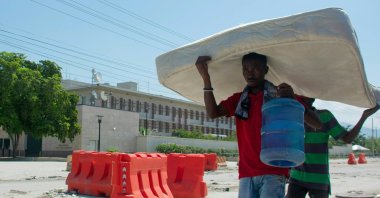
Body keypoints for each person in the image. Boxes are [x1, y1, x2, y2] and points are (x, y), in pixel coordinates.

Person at [195, 52, 322, 198]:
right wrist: (206, 78)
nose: (250, 73)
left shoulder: (280, 95)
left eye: (255, 68)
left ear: (265, 70)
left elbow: (317, 123)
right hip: (246, 173)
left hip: (274, 170)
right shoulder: (240, 100)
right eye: (246, 69)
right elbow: (213, 112)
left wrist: (293, 100)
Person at [286, 96, 380, 198]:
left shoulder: (324, 116)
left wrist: (364, 116)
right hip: (297, 177)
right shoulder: (291, 116)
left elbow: (347, 139)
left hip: (318, 178)